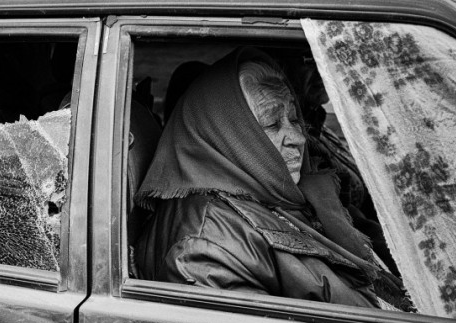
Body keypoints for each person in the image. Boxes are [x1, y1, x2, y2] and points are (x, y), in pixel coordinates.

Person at [135, 48, 386, 309]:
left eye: (293, 119)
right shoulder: (204, 251)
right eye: (272, 125)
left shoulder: (276, 194)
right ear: (228, 136)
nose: (298, 139)